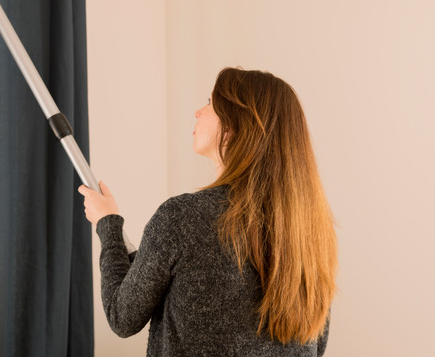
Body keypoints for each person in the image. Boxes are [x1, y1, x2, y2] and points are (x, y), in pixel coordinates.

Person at [78, 67, 338, 356]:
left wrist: (108, 225)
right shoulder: (312, 232)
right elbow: (317, 344)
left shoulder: (181, 218)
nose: (198, 112)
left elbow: (122, 316)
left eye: (211, 104)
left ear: (233, 128)